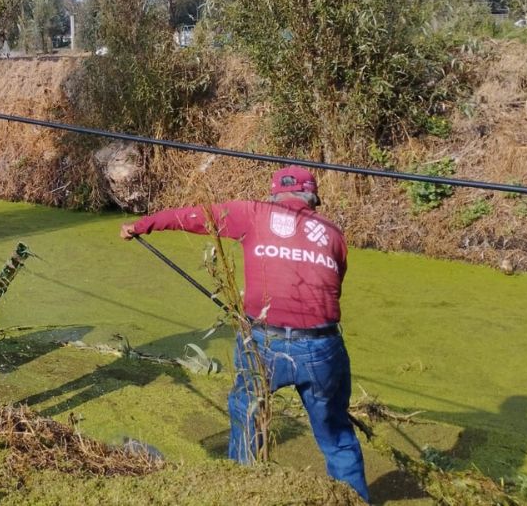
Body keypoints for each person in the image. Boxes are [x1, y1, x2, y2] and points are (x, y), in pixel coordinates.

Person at [119, 166, 368, 502]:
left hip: (264, 342)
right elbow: (333, 286)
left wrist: (140, 226)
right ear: (312, 197)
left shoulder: (252, 213)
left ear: (274, 194)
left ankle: (246, 492)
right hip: (323, 349)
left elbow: (191, 217)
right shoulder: (333, 233)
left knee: (248, 413)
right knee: (336, 433)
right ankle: (355, 499)